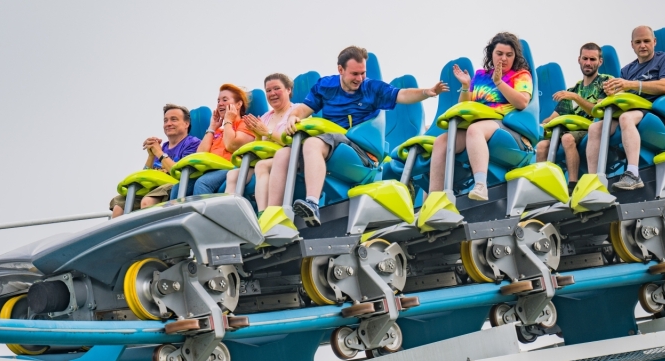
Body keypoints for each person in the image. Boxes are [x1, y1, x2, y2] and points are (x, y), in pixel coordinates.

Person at [266, 46, 448, 226]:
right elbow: (304, 109)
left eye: (363, 73)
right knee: (283, 154)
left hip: (361, 151)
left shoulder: (371, 88)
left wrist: (427, 92)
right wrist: (293, 117)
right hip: (332, 143)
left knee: (312, 143)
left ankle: (312, 204)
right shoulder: (325, 86)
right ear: (340, 69)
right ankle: (274, 217)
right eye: (354, 74)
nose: (359, 78)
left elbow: (402, 95)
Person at [428, 32, 534, 202]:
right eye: (499, 53)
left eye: (509, 55)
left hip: (507, 126)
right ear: (491, 53)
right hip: (479, 124)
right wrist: (465, 85)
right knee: (441, 141)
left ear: (515, 56)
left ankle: (480, 186)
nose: (504, 58)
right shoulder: (480, 75)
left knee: (474, 130)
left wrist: (499, 82)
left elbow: (522, 102)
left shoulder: (521, 75)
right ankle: (433, 200)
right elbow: (464, 105)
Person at [584, 26, 665, 190]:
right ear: (632, 45)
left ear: (654, 42)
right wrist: (610, 94)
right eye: (638, 42)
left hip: (659, 113)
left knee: (626, 118)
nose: (642, 45)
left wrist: (631, 84)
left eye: (646, 41)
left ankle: (633, 175)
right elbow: (621, 92)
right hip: (633, 111)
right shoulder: (627, 70)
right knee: (595, 128)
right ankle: (593, 183)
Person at [535, 44, 611, 189]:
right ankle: (543, 188)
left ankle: (573, 185)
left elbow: (598, 111)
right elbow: (553, 118)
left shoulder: (605, 82)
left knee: (567, 138)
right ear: (579, 60)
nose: (588, 63)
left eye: (592, 59)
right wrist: (541, 125)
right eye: (585, 58)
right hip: (570, 130)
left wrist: (576, 98)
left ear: (600, 62)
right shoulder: (573, 90)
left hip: (593, 130)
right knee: (542, 146)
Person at [109, 104, 200, 217]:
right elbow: (146, 175)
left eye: (174, 119)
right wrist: (151, 156)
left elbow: (182, 174)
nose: (168, 124)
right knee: (119, 207)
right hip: (154, 187)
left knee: (147, 202)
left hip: (173, 186)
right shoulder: (162, 147)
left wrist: (159, 153)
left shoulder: (193, 143)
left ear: (186, 123)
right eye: (165, 120)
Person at [224, 73, 296, 214]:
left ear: (288, 89)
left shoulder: (296, 111)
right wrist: (257, 135)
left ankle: (264, 213)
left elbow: (295, 140)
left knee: (261, 165)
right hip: (267, 159)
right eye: (268, 90)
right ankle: (230, 215)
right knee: (233, 174)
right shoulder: (265, 118)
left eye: (277, 88)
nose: (272, 93)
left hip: (290, 157)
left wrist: (267, 132)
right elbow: (261, 146)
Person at [182, 84, 256, 197]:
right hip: (210, 170)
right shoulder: (218, 131)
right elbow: (200, 154)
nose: (220, 103)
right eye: (218, 101)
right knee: (179, 187)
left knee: (202, 183)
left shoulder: (246, 124)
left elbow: (231, 145)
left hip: (231, 168)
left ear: (238, 104)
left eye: (225, 100)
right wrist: (212, 127)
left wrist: (228, 120)